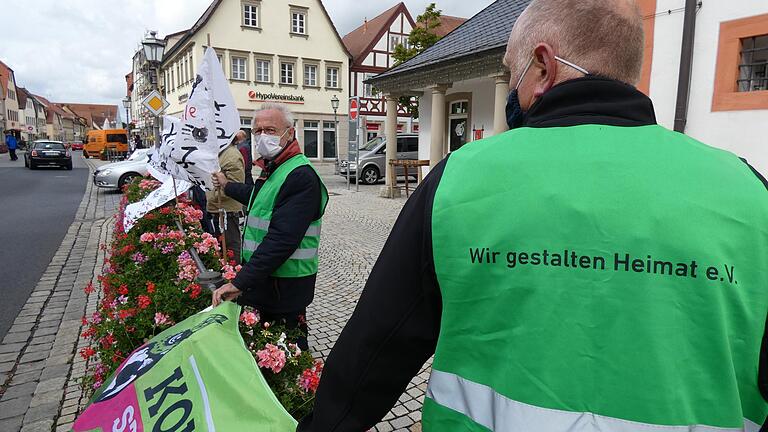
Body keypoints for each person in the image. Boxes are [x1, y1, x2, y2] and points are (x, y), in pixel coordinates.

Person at [298, 0, 768, 430]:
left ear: (542, 66)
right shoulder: (749, 193)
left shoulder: (460, 181)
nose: (511, 85)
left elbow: (376, 349)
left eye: (512, 70)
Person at [211, 103, 328, 351]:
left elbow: (281, 240)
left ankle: (302, 389)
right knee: (270, 347)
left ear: (290, 133)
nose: (263, 136)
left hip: (285, 287)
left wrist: (240, 282)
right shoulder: (274, 167)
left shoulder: (300, 175)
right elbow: (258, 197)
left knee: (289, 350)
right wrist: (227, 185)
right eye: (258, 131)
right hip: (269, 282)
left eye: (271, 130)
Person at [206, 135, 246, 264]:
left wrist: (217, 191)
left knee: (230, 246)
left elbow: (235, 187)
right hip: (218, 207)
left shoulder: (231, 156)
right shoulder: (220, 153)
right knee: (222, 245)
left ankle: (233, 274)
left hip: (227, 210)